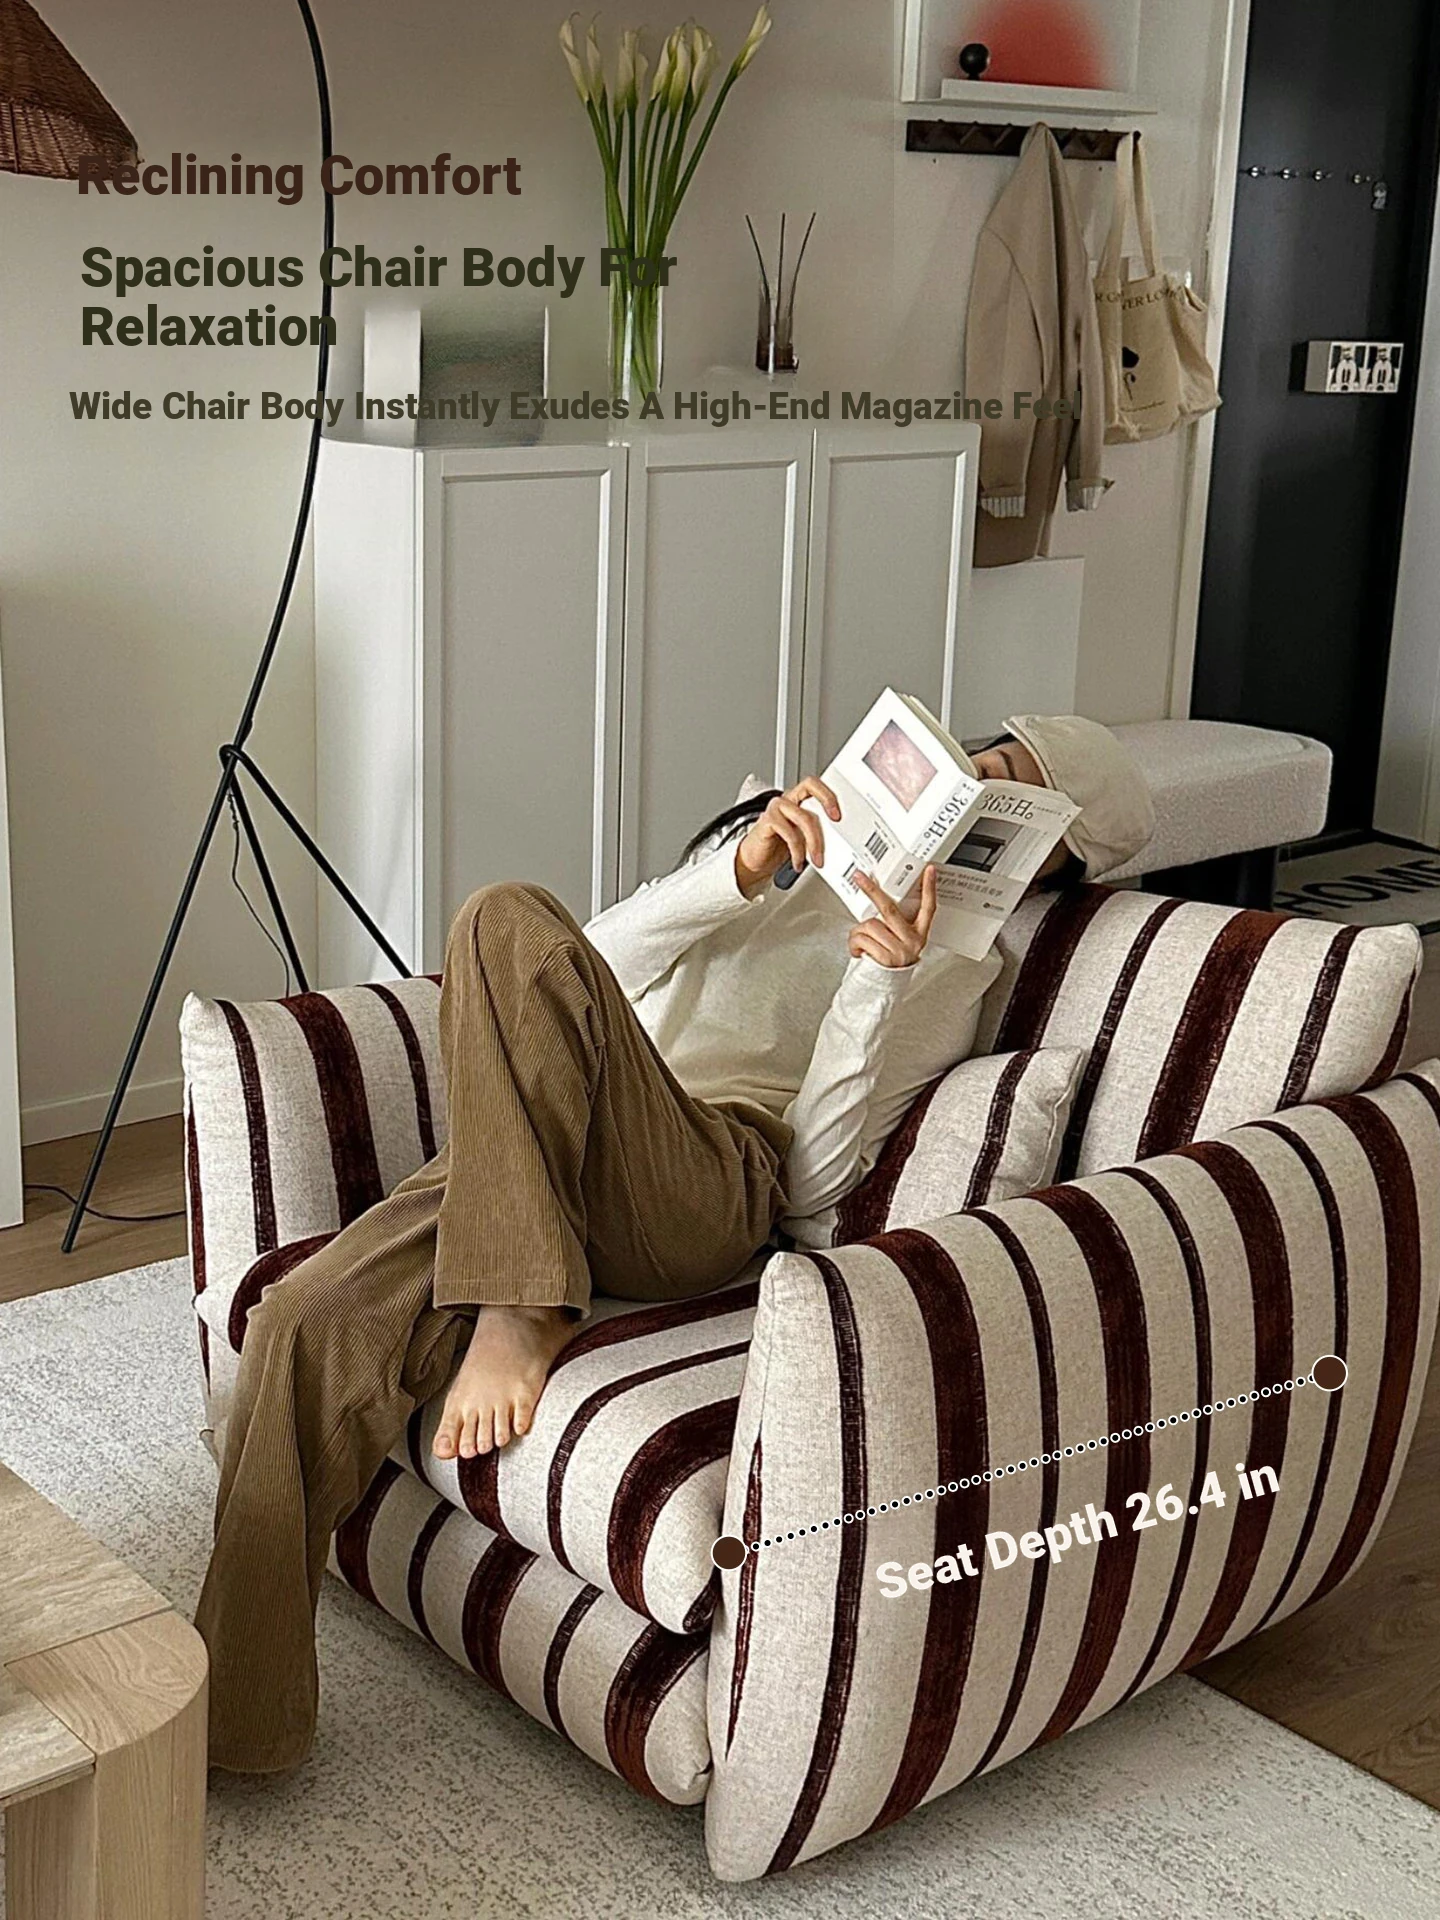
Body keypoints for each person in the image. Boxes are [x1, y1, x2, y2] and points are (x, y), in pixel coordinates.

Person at [194, 713, 1155, 1772]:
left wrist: (878, 982)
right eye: (984, 763)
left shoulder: (950, 972)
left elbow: (815, 1180)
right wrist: (738, 873)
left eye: (1019, 803)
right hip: (557, 1139)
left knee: (498, 911)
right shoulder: (777, 856)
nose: (977, 789)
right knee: (302, 1320)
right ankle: (235, 1725)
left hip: (705, 1178)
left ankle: (521, 1302)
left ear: (1049, 861)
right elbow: (574, 970)